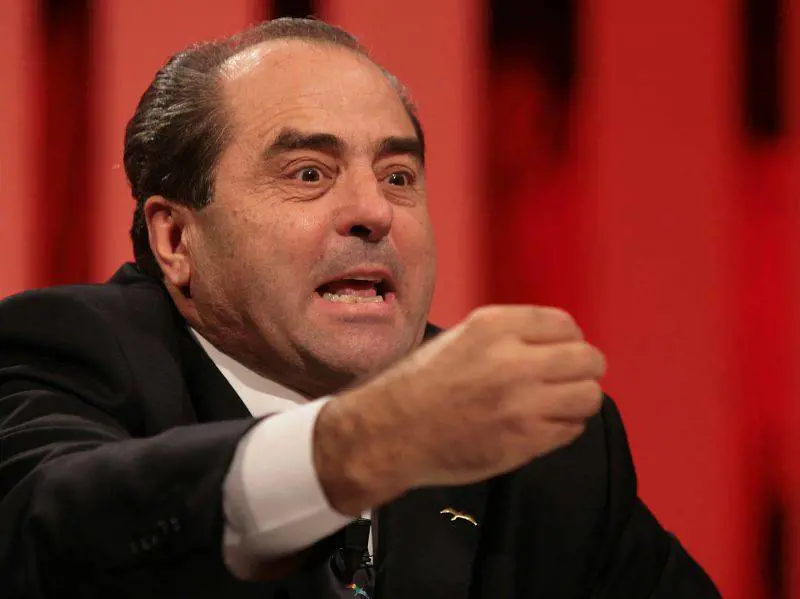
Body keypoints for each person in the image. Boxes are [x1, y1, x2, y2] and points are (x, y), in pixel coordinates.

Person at [0, 17, 720, 599]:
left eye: (398, 176)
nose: (374, 212)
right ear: (176, 238)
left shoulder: (538, 446)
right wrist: (354, 447)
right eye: (309, 172)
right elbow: (56, 540)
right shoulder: (65, 354)